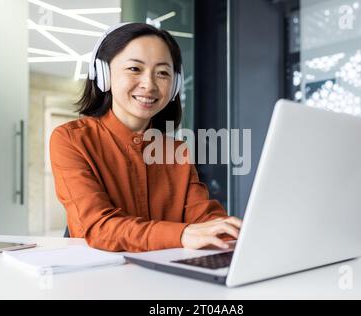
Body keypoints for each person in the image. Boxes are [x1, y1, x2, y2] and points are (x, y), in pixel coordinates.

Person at [49, 22, 242, 252]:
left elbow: (202, 216)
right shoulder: (71, 139)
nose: (149, 85)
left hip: (166, 278)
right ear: (103, 75)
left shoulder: (175, 152)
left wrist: (228, 229)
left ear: (174, 85)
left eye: (162, 73)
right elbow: (97, 227)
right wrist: (180, 234)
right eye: (134, 69)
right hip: (100, 279)